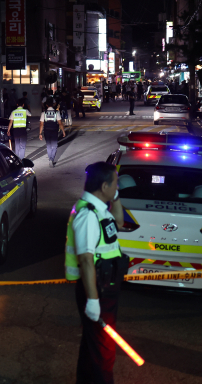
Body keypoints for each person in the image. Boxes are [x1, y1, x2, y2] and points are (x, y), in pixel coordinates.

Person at [65, 162, 127, 384]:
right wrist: (92, 300)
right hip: (96, 289)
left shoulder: (100, 210)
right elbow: (86, 260)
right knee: (103, 352)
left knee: (92, 347)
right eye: (115, 183)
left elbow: (119, 222)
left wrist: (115, 196)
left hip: (104, 288)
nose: (117, 187)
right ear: (103, 186)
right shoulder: (88, 215)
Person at [39, 98, 66, 167]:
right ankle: (52, 159)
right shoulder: (56, 112)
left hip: (46, 131)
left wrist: (40, 133)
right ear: (53, 104)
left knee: (48, 145)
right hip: (54, 130)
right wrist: (63, 131)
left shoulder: (43, 113)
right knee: (54, 146)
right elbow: (60, 123)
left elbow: (41, 124)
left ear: (47, 105)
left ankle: (50, 159)